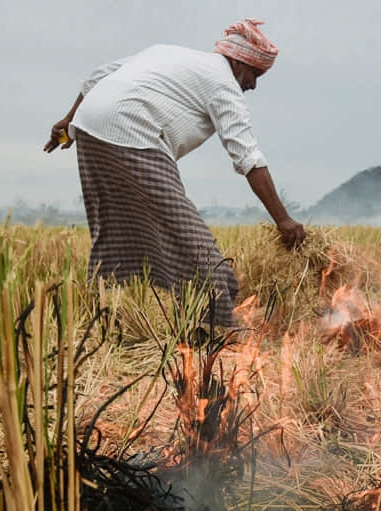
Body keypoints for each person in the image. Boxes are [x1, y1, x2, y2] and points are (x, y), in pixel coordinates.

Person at [43, 19, 306, 326]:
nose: (253, 84)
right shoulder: (223, 85)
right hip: (132, 133)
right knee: (193, 243)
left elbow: (98, 77)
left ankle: (106, 315)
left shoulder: (169, 52)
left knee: (115, 227)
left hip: (89, 130)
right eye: (254, 74)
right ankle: (213, 328)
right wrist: (283, 220)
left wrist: (68, 120)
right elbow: (248, 157)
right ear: (237, 61)